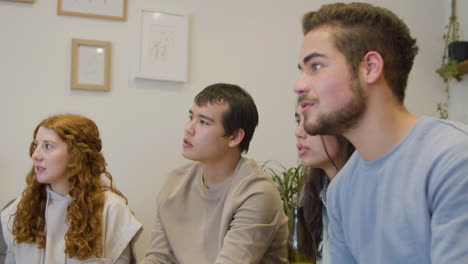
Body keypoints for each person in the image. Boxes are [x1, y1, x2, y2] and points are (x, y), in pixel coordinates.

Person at [294, 2, 468, 263]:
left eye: (316, 66)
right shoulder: (341, 191)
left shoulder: (453, 160)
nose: (299, 86)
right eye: (302, 71)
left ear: (370, 68)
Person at [142, 83, 288, 264]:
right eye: (191, 117)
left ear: (234, 137)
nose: (189, 128)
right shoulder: (174, 183)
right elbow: (158, 258)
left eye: (203, 122)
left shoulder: (256, 192)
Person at [1, 114, 142, 264]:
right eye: (36, 145)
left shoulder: (112, 211)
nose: (35, 155)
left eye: (48, 146)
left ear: (76, 155)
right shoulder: (21, 209)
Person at [294, 104, 354, 264]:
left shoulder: (363, 195)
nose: (298, 132)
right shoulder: (313, 192)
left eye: (311, 121)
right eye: (298, 121)